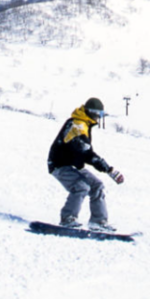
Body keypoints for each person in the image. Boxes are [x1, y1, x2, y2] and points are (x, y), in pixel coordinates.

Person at [47, 97, 125, 231]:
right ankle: (68, 218)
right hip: (60, 164)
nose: (99, 118)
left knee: (97, 186)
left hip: (74, 165)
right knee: (81, 186)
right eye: (98, 114)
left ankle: (98, 221)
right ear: (91, 112)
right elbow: (86, 153)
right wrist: (109, 170)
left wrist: (108, 169)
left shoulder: (84, 123)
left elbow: (86, 152)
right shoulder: (78, 125)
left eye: (101, 115)